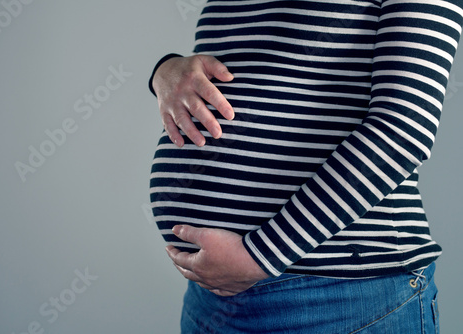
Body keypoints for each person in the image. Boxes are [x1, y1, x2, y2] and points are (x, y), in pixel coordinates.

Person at [149, 0, 463, 332]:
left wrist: (261, 255)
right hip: (211, 299)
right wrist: (165, 71)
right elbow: (252, 68)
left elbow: (403, 127)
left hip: (342, 297)